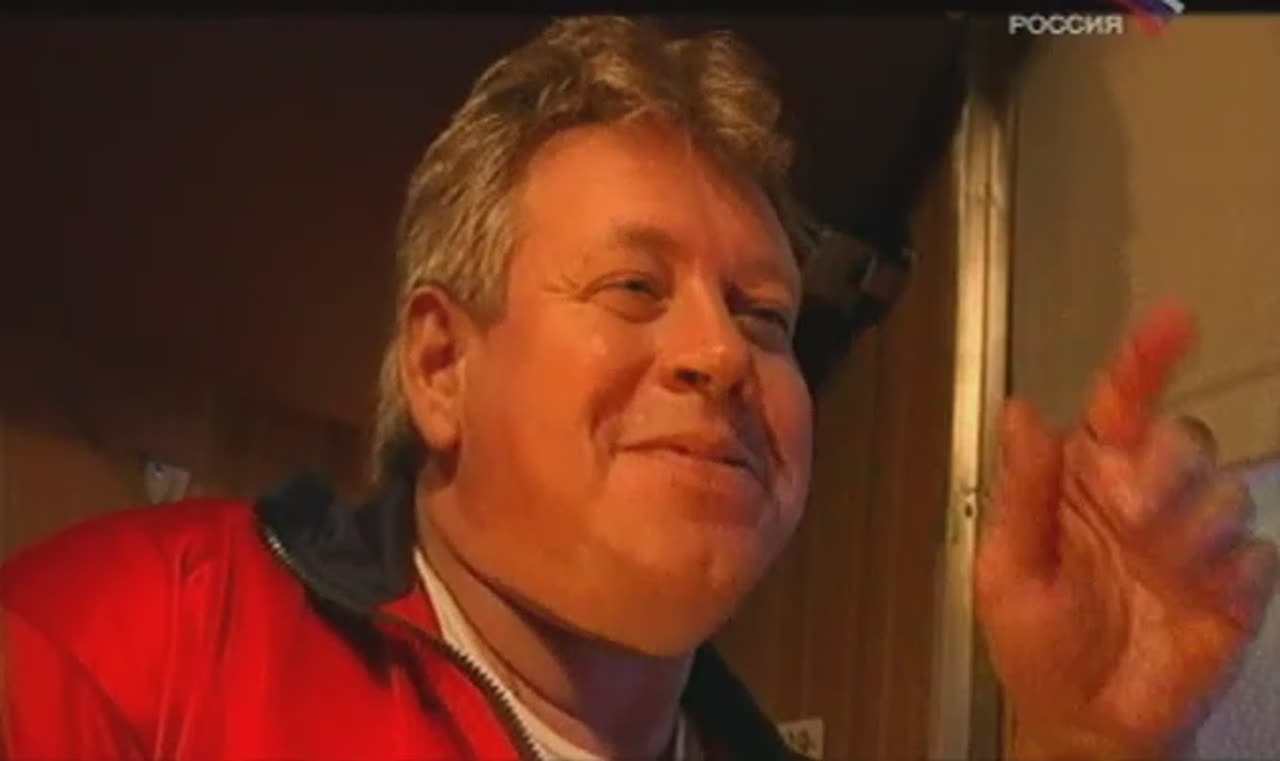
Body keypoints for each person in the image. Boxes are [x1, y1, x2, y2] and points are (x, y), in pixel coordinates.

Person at [1, 15, 1273, 761]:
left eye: (765, 315)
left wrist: (1084, 745)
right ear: (441, 364)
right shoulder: (138, 640)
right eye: (631, 286)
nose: (722, 354)